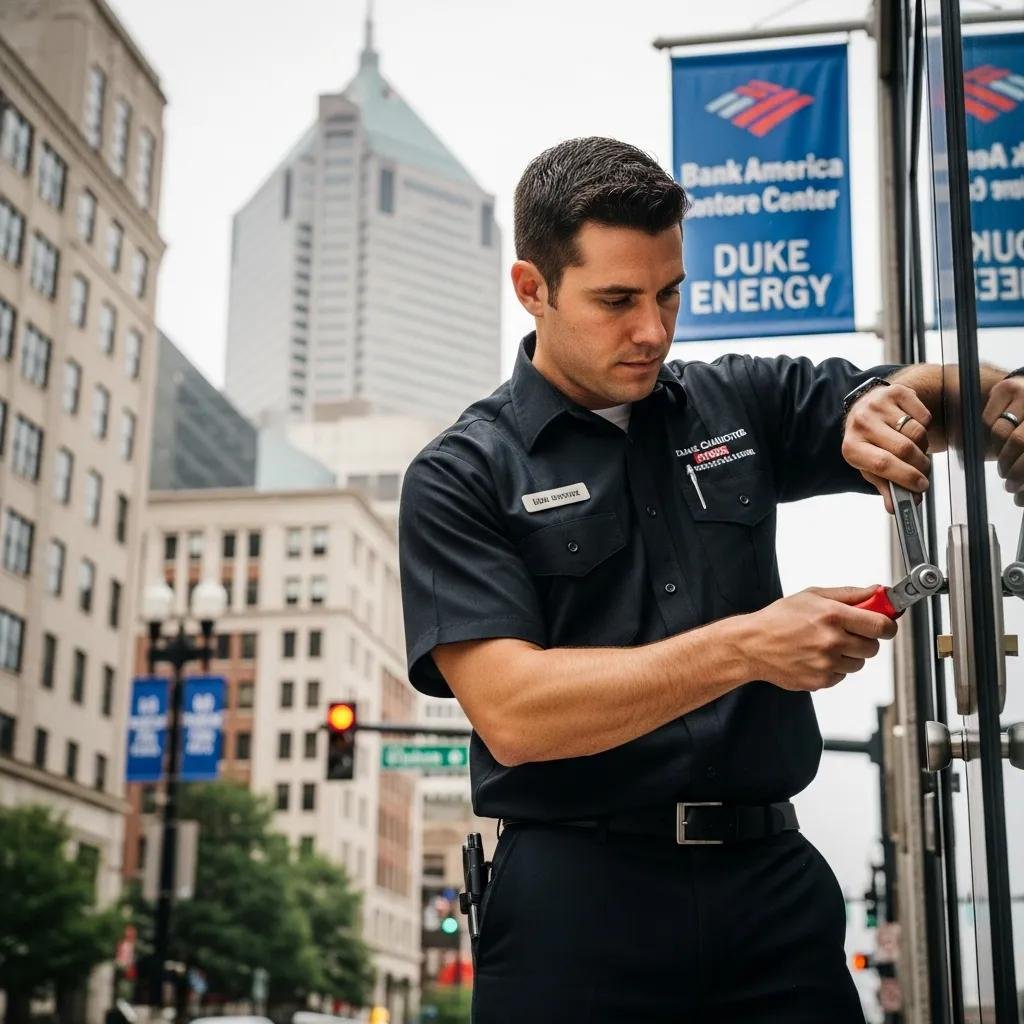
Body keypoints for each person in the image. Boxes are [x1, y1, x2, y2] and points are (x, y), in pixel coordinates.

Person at [398, 136, 1024, 1023]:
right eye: (617, 300)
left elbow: (929, 397)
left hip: (770, 890)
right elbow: (516, 713)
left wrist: (991, 409)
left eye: (669, 293)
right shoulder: (461, 475)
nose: (653, 330)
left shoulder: (735, 403)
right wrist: (749, 648)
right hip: (575, 908)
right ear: (532, 288)